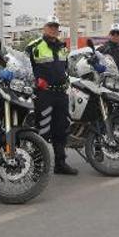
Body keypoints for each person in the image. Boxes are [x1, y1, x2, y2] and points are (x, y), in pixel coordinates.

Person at [26, 15, 78, 175]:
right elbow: (25, 69)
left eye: (56, 27)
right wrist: (36, 80)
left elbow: (66, 69)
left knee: (61, 130)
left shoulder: (63, 47)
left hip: (61, 94)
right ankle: (37, 166)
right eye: (50, 26)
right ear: (44, 28)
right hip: (44, 95)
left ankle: (60, 163)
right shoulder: (34, 46)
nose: (53, 29)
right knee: (42, 129)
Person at [96, 23, 119, 117]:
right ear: (110, 34)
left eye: (118, 33)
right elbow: (95, 65)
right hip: (108, 85)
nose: (116, 35)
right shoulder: (102, 49)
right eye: (113, 33)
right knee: (108, 111)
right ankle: (107, 131)